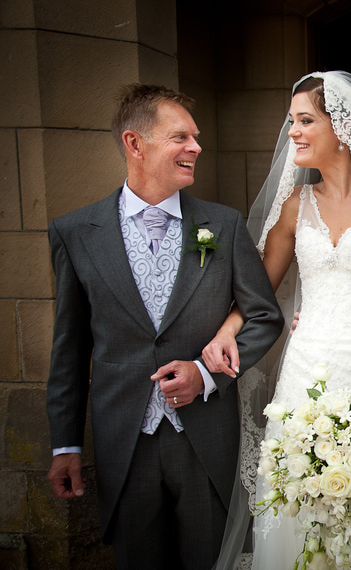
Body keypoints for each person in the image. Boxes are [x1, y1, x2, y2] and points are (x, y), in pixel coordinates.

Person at [203, 71, 351, 569]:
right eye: (291, 121)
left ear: (344, 126)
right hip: (303, 380)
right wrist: (228, 329)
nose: (292, 132)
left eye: (305, 120)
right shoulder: (294, 206)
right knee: (296, 519)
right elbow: (257, 294)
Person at [45, 84, 285, 569]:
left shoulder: (222, 225)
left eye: (195, 137)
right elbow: (70, 347)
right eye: (181, 137)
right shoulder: (75, 233)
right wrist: (65, 444)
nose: (196, 147)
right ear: (135, 144)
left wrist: (206, 373)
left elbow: (264, 315)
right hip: (124, 443)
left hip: (205, 441)